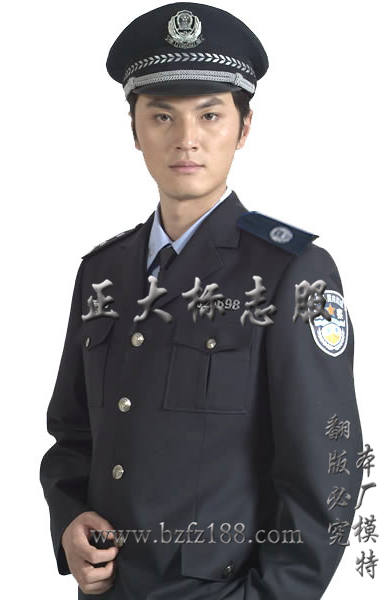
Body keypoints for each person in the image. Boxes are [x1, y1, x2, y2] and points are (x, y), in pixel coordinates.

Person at [39, 3, 363, 598]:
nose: (186, 140)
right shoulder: (102, 273)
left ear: (244, 127)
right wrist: (69, 519)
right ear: (134, 129)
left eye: (210, 115)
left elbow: (326, 473)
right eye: (162, 116)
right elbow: (72, 433)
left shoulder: (293, 272)